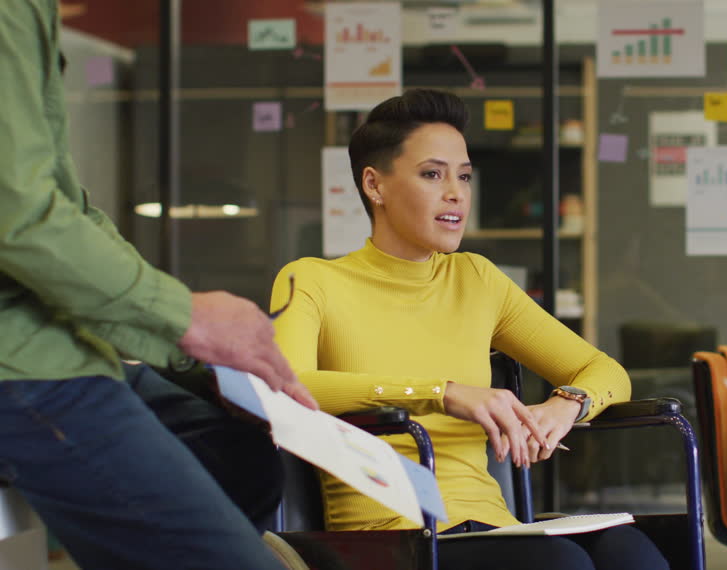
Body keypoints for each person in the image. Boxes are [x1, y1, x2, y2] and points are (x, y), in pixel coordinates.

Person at [271, 89, 669, 570]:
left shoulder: (476, 278)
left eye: (463, 176)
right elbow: (288, 389)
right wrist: (442, 394)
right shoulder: (312, 280)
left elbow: (604, 370)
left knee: (633, 551)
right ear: (374, 185)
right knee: (559, 563)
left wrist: (566, 405)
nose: (456, 193)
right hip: (391, 536)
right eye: (432, 174)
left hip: (492, 526)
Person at [0, 1, 318, 568]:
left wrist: (192, 353)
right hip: (21, 360)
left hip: (52, 334)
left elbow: (68, 213)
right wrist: (188, 317)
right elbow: (20, 219)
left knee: (239, 454)